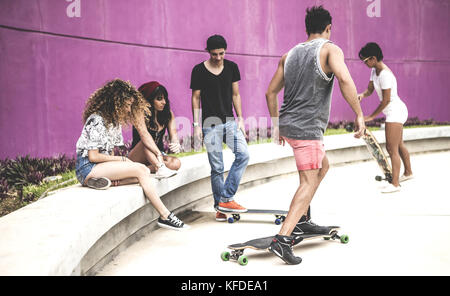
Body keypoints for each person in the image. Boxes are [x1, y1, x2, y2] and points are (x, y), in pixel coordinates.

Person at [265, 6, 365, 264]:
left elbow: (270, 93)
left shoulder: (290, 54)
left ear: (307, 28)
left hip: (289, 124)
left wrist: (277, 125)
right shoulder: (330, 49)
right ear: (328, 28)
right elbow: (344, 79)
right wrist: (359, 114)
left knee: (323, 166)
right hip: (307, 128)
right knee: (308, 181)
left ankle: (302, 219)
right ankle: (283, 238)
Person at [75, 79, 188, 230]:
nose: (129, 110)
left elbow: (108, 153)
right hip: (87, 168)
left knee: (143, 173)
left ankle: (107, 182)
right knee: (142, 170)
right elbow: (93, 157)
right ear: (116, 103)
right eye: (127, 105)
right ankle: (165, 215)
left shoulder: (114, 122)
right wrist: (121, 160)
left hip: (100, 168)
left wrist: (118, 166)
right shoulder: (97, 120)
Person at [190, 34, 250, 221]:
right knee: (217, 167)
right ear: (208, 52)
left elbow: (236, 95)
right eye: (214, 54)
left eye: (221, 53)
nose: (218, 57)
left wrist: (240, 118)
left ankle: (225, 198)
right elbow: (196, 98)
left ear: (225, 51)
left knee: (243, 154)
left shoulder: (232, 67)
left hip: (230, 122)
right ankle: (220, 207)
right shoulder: (198, 70)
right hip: (209, 124)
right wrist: (196, 125)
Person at [358, 42, 413, 193]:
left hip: (395, 111)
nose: (365, 63)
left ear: (373, 58)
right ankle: (408, 173)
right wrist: (362, 95)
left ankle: (395, 184)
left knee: (391, 148)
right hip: (393, 111)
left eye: (365, 61)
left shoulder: (385, 75)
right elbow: (369, 90)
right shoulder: (374, 71)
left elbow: (386, 100)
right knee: (399, 145)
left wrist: (371, 116)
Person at [128, 81, 181, 179]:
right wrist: (158, 154)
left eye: (164, 98)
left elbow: (173, 135)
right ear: (150, 99)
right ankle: (159, 167)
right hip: (138, 156)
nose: (164, 102)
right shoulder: (140, 113)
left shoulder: (168, 114)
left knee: (176, 163)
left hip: (156, 156)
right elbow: (144, 134)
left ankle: (145, 170)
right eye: (159, 99)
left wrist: (175, 143)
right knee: (146, 141)